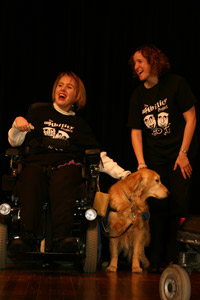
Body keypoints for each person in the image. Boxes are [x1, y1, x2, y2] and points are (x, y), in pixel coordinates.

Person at [8, 71, 131, 253]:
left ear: (76, 96)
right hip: (36, 163)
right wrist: (16, 125)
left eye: (69, 86)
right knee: (31, 178)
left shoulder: (79, 125)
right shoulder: (38, 113)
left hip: (65, 166)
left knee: (64, 179)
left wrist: (124, 174)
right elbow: (14, 142)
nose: (63, 89)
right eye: (60, 85)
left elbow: (98, 156)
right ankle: (27, 237)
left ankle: (62, 238)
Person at [127, 44, 198, 273]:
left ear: (153, 61)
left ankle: (174, 258)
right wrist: (141, 164)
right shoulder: (138, 95)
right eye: (134, 63)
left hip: (179, 157)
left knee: (177, 207)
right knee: (157, 210)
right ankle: (156, 259)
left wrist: (184, 153)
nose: (136, 67)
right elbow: (136, 131)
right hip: (154, 161)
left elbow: (191, 118)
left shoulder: (176, 83)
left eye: (140, 61)